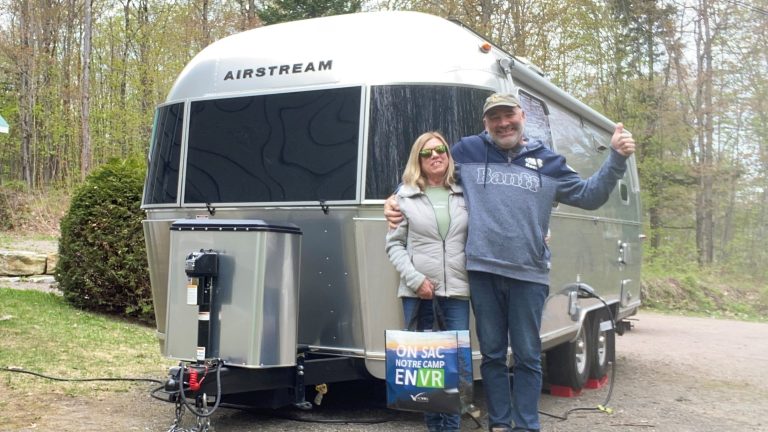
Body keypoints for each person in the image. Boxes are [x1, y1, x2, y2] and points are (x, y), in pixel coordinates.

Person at [385, 93, 636, 432]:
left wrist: (617, 158)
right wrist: (394, 198)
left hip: (529, 276)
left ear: (522, 116)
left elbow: (589, 195)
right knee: (491, 356)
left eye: (509, 115)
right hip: (482, 273)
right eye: (495, 118)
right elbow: (430, 171)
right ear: (486, 122)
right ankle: (500, 423)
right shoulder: (468, 151)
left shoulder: (549, 162)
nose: (503, 123)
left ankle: (527, 425)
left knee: (528, 356)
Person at [385, 131, 470, 432]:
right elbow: (394, 245)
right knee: (427, 368)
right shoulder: (404, 197)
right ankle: (435, 427)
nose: (435, 155)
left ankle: (451, 428)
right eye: (426, 152)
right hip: (419, 293)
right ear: (417, 160)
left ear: (448, 155)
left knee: (455, 367)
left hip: (457, 292)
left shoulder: (464, 193)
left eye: (440, 149)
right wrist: (415, 279)